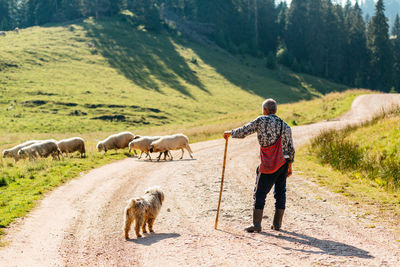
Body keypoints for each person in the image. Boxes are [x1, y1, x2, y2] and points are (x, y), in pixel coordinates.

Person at [224, 98, 295, 232]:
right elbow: (291, 147)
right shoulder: (285, 125)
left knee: (260, 192)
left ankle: (257, 225)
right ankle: (277, 224)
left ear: (265, 110)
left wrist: (230, 133)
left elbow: (244, 131)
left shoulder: (261, 120)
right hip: (283, 162)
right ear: (275, 110)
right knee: (280, 192)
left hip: (269, 163)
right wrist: (290, 165)